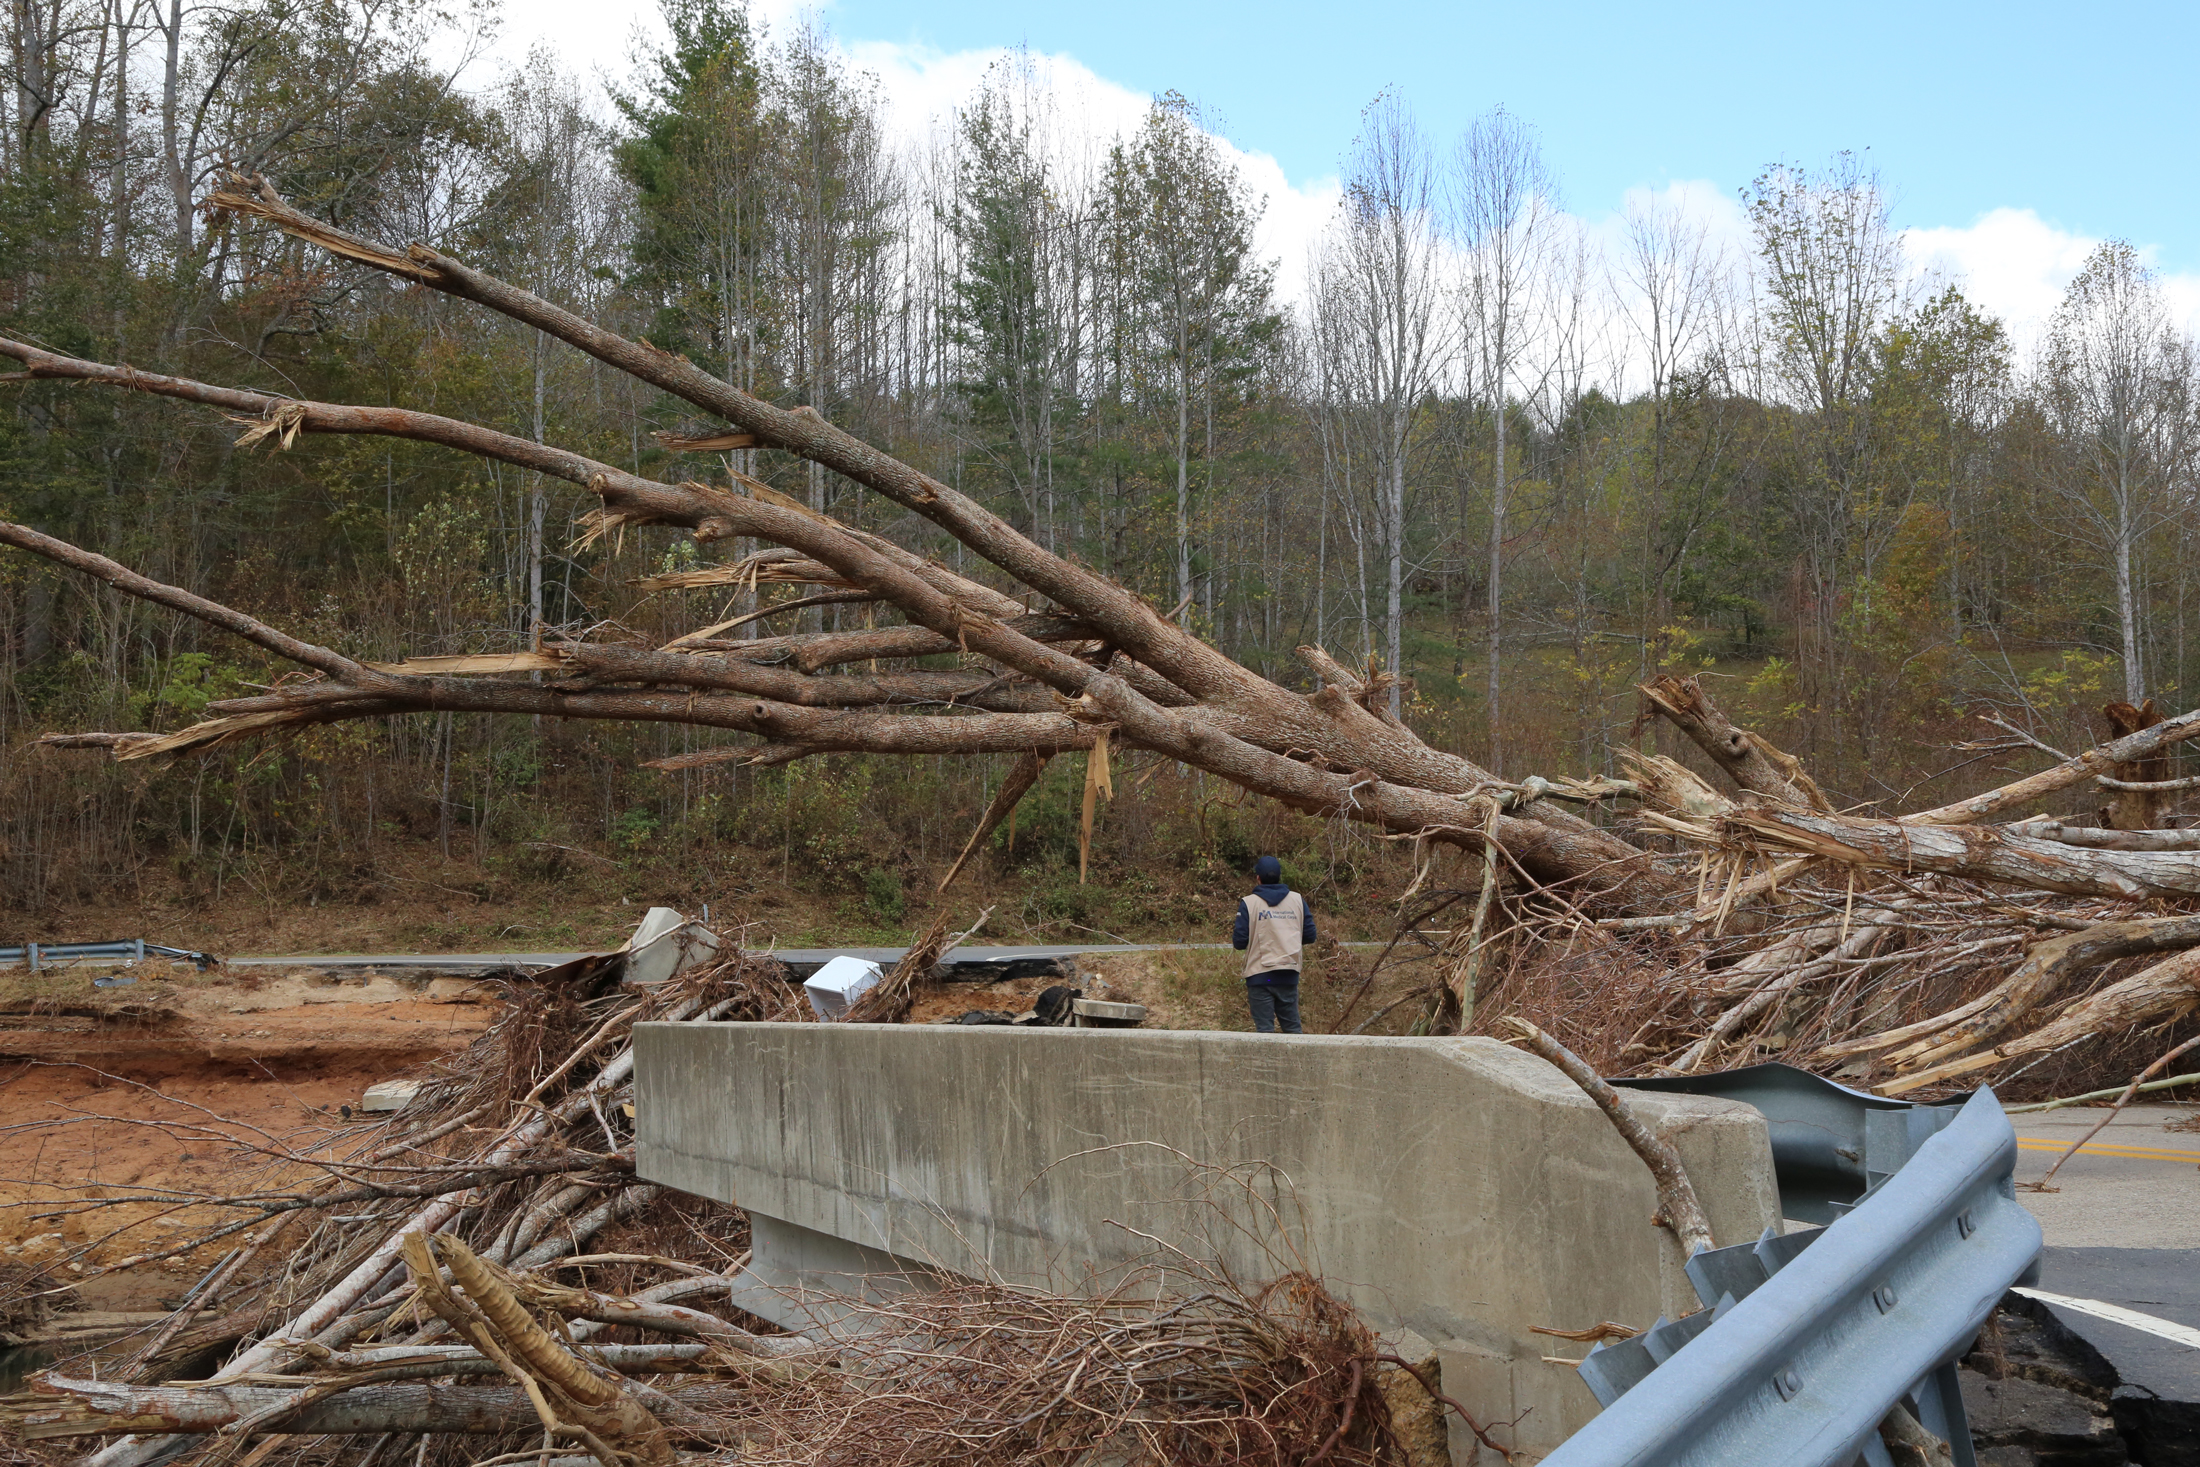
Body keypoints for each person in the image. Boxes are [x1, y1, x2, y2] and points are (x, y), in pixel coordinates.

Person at [1231, 854, 1316, 1033]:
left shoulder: (1249, 903)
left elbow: (1239, 942)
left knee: (1265, 1032)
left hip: (1260, 976)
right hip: (1288, 975)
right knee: (1293, 1030)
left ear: (1258, 878)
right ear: (1279, 876)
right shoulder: (1297, 900)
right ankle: (1297, 1061)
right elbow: (1310, 935)